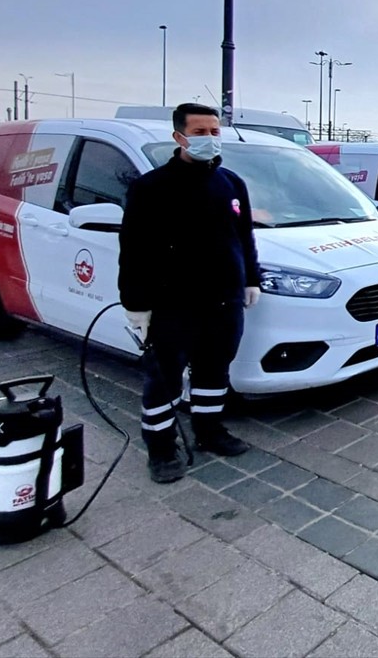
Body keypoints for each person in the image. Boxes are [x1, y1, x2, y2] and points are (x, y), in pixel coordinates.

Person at [119, 103, 261, 484]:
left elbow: (245, 237)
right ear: (179, 137)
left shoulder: (231, 184)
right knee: (165, 378)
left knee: (215, 370)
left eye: (214, 131)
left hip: (225, 302)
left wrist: (252, 279)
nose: (210, 138)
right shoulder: (151, 188)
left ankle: (209, 430)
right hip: (174, 305)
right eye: (200, 133)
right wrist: (136, 304)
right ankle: (161, 447)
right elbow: (133, 251)